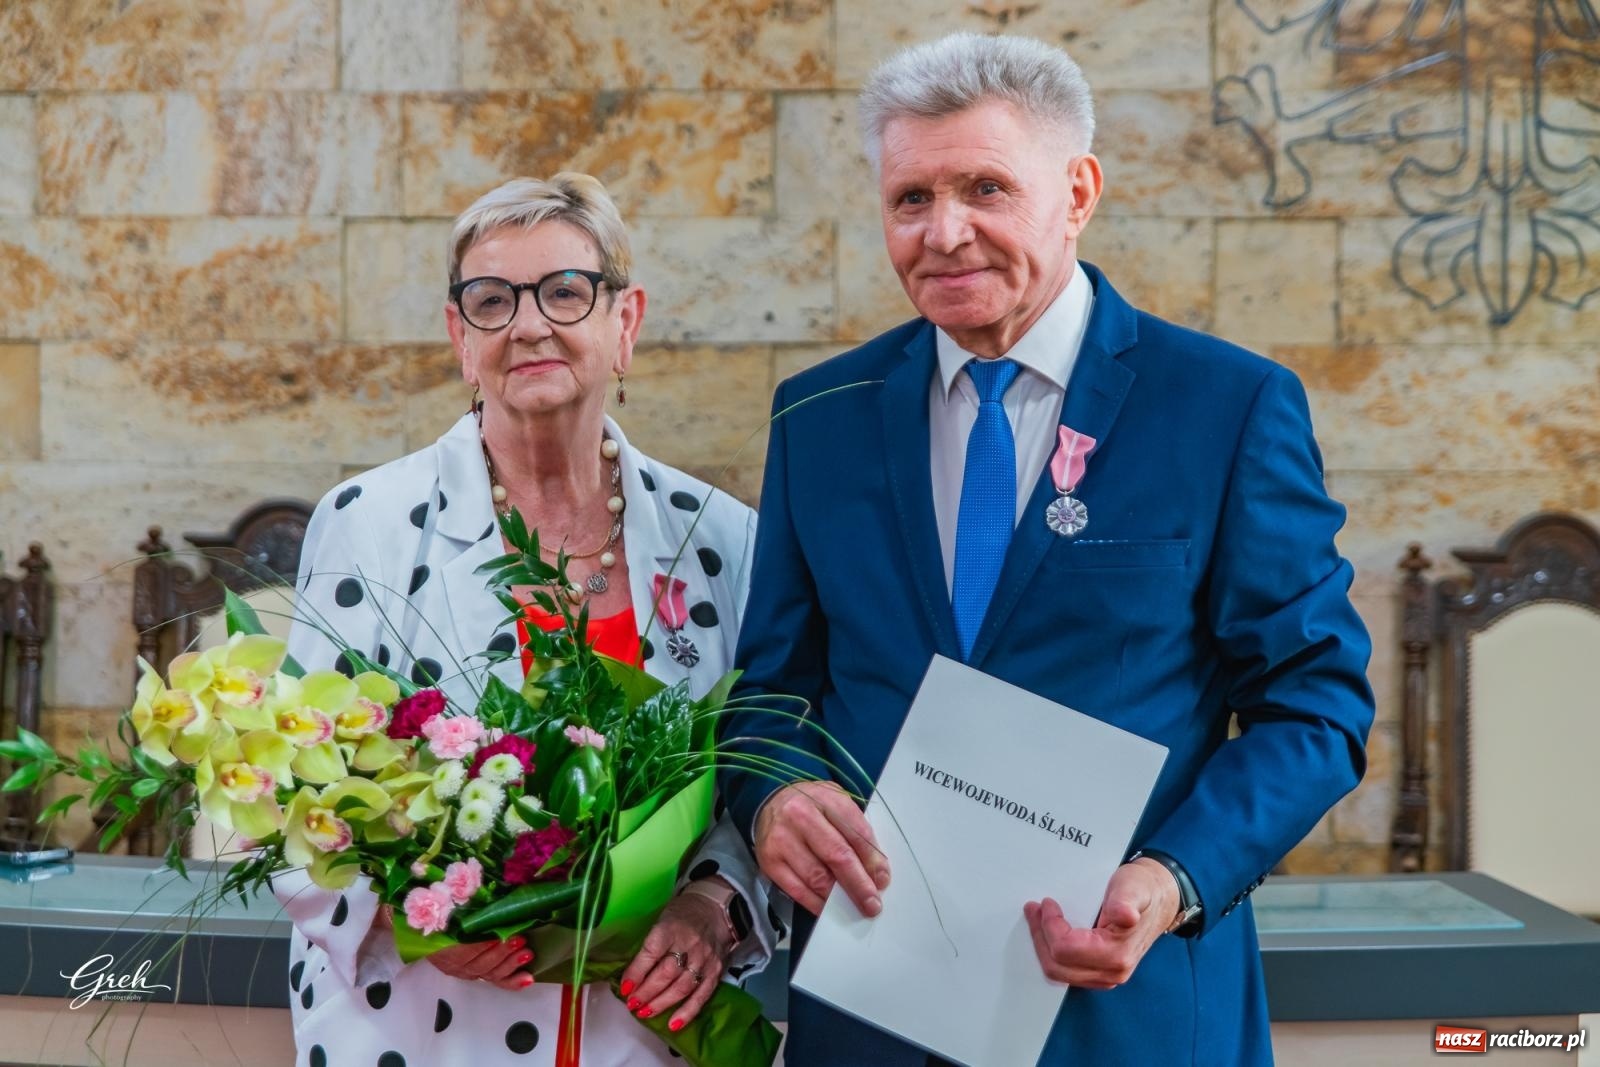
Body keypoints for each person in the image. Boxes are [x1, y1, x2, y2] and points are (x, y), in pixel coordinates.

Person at [720, 33, 1375, 1066]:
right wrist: (774, 798)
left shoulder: (1224, 407)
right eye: (910, 199)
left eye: (985, 187)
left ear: (1078, 190)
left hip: (1127, 1010)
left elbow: (1318, 702)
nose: (945, 233)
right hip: (873, 1014)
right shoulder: (819, 418)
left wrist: (1173, 876)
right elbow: (769, 695)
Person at [274, 174, 777, 1067]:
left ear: (626, 322)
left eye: (566, 291)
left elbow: (759, 777)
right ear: (460, 339)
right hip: (425, 1024)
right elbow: (292, 787)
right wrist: (411, 908)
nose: (529, 324)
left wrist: (712, 901)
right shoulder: (370, 523)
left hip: (645, 1033)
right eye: (492, 300)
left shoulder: (722, 538)